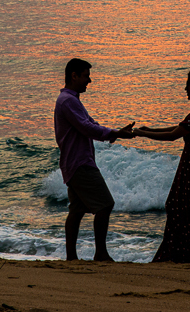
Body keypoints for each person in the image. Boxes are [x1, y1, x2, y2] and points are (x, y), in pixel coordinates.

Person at [135, 70, 190, 264]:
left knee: (181, 207)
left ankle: (182, 254)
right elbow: (178, 129)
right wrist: (148, 130)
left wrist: (143, 134)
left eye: (188, 84)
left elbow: (173, 135)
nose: (185, 88)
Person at [54, 58, 135, 261]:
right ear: (74, 76)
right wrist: (116, 134)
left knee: (78, 209)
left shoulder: (69, 100)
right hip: (80, 163)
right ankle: (100, 254)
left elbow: (90, 123)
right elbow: (88, 128)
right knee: (105, 204)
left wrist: (116, 132)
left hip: (74, 163)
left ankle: (71, 257)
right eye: (85, 76)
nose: (89, 81)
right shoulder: (68, 101)